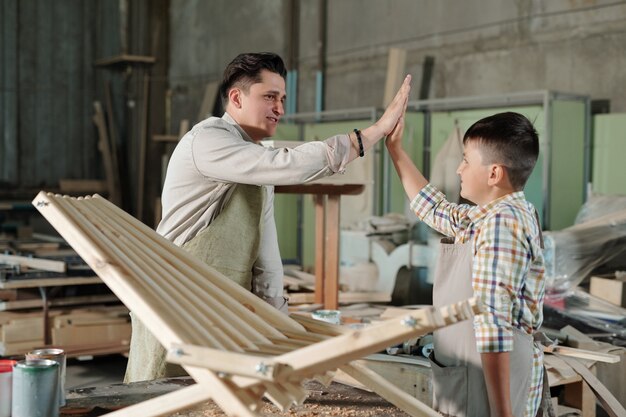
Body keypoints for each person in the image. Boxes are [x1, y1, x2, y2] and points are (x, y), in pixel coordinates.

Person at [124, 52, 412, 382]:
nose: (280, 109)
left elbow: (266, 255)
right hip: (172, 307)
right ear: (236, 97)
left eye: (283, 98)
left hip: (215, 316)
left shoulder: (256, 163)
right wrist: (370, 135)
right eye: (270, 97)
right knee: (162, 402)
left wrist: (280, 327)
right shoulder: (208, 140)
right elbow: (287, 165)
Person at [386, 111, 548, 417]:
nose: (459, 169)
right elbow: (436, 209)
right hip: (474, 373)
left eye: (466, 160)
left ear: (494, 173)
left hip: (492, 384)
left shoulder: (502, 224)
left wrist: (502, 413)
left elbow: (493, 325)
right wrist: (396, 149)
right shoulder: (492, 214)